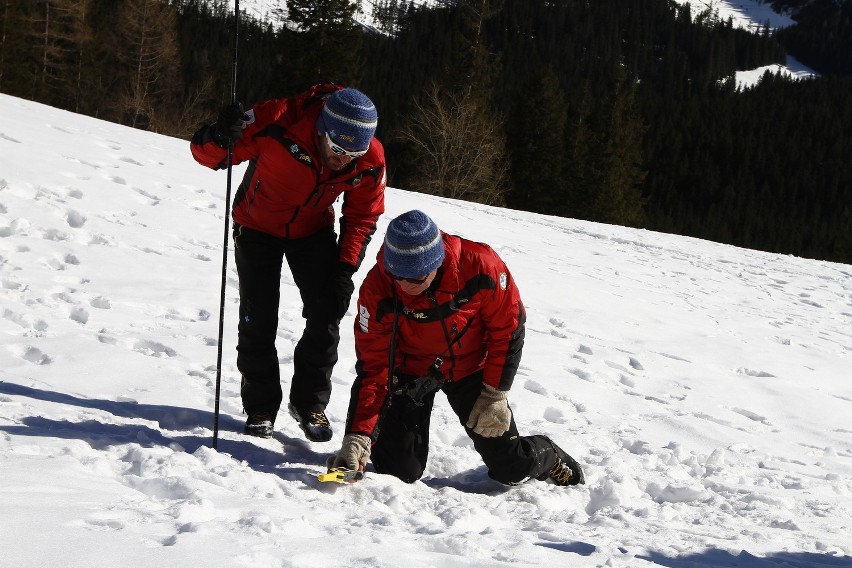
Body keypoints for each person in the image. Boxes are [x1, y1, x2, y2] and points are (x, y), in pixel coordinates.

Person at [327, 210, 585, 486]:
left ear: (435, 263)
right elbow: (374, 368)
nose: (403, 285)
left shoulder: (481, 267)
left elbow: (508, 330)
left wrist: (494, 394)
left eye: (414, 279)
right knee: (398, 472)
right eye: (396, 274)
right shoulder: (377, 288)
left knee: (512, 468)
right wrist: (357, 436)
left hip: (470, 368)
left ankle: (547, 454)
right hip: (411, 371)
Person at [190, 83, 386, 442]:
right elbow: (209, 156)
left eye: (353, 153)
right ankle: (261, 407)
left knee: (327, 312)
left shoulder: (370, 159)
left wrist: (344, 269)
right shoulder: (278, 120)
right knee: (258, 315)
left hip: (312, 230)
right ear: (321, 130)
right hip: (256, 225)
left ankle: (309, 403)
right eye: (338, 149)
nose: (343, 159)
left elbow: (363, 216)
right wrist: (220, 135)